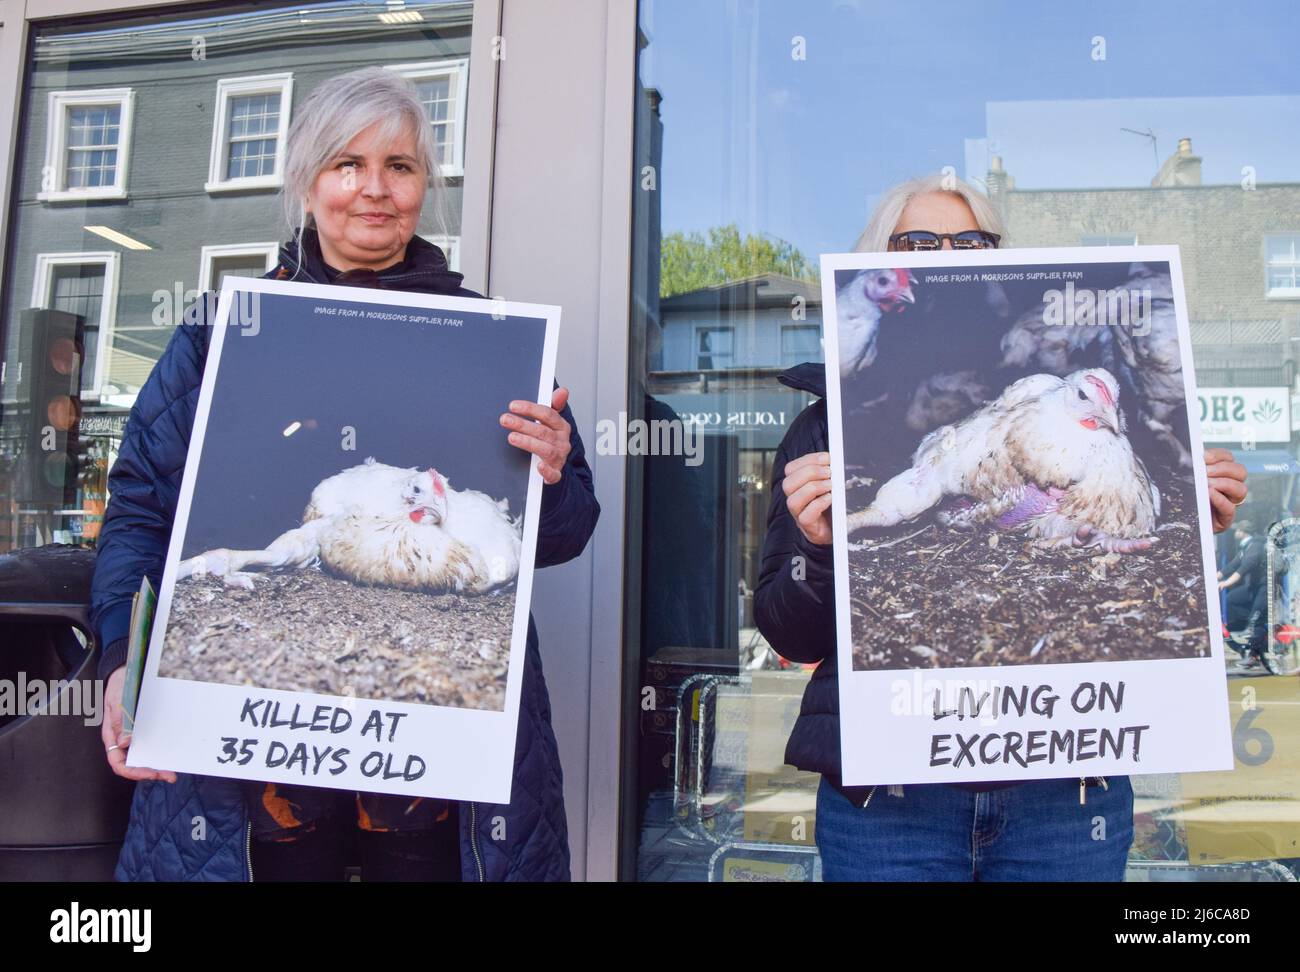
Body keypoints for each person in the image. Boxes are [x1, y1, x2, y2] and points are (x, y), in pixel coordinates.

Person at [89, 67, 600, 882]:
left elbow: (563, 536)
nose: (374, 189)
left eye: (399, 167)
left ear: (423, 186)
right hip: (246, 789)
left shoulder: (491, 338)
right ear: (307, 182)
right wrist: (124, 652)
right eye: (346, 165)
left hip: (439, 796)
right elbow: (142, 510)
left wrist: (555, 470)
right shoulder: (222, 331)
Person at [755, 173, 1249, 881]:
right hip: (889, 805)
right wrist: (817, 547)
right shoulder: (822, 426)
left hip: (1065, 800)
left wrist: (1197, 527)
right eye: (918, 241)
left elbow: (1130, 537)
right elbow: (787, 629)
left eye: (970, 242)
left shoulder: (1088, 396)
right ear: (881, 261)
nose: (944, 254)